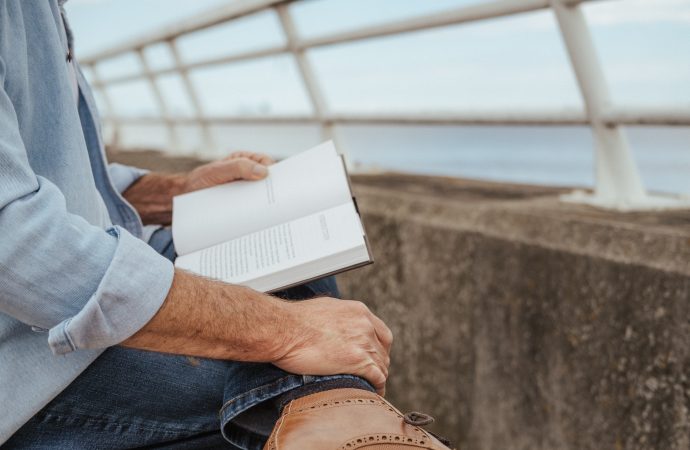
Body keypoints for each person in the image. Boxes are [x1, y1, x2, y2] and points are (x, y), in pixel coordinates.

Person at [0, 2, 452, 449]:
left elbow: (57, 177)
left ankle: (336, 414)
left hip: (69, 286)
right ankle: (338, 414)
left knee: (287, 260)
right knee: (276, 387)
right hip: (30, 360)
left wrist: (183, 189)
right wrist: (289, 329)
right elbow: (18, 244)